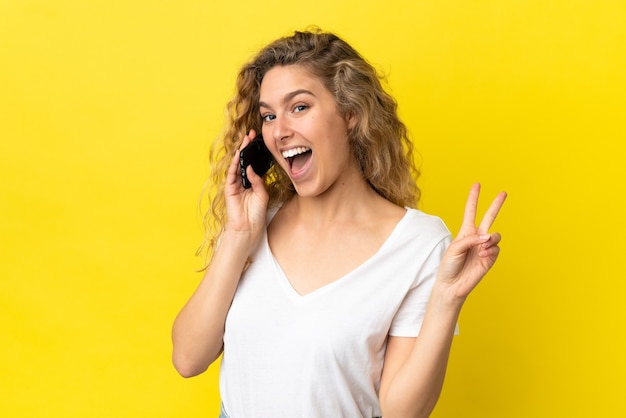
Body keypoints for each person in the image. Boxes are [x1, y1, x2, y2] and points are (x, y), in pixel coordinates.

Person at [172, 28, 507, 418]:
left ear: (350, 113)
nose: (280, 131)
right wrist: (238, 235)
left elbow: (401, 411)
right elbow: (188, 358)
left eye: (299, 107)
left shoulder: (417, 243)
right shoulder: (254, 224)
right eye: (268, 115)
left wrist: (447, 301)